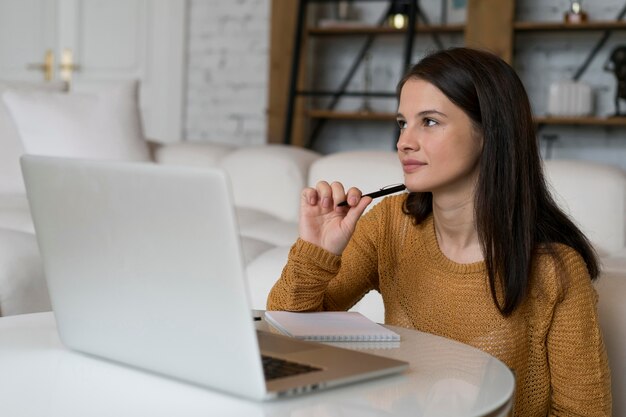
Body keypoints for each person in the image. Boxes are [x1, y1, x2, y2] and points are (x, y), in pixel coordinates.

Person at [267, 47, 611, 415]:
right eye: (402, 122)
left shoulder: (554, 270)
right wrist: (317, 252)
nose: (404, 142)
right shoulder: (390, 225)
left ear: (490, 132)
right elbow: (285, 332)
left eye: (429, 121)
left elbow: (583, 412)